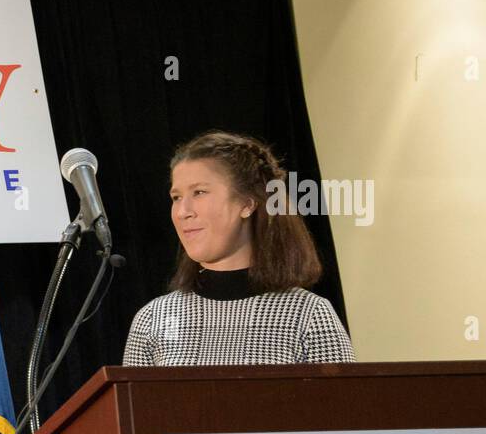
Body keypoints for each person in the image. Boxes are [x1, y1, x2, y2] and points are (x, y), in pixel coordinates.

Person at [122, 130, 356, 366]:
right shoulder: (153, 319)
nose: (183, 211)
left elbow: (343, 402)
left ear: (247, 203)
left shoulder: (308, 315)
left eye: (199, 192)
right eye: (176, 197)